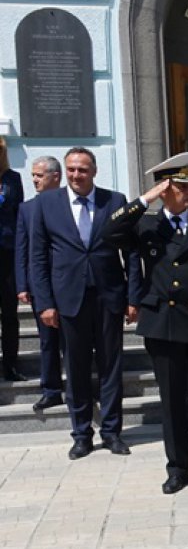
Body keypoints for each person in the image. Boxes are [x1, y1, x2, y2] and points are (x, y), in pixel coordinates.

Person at [100, 153, 188, 494]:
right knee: (173, 400)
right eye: (184, 186)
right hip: (164, 324)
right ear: (167, 188)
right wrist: (146, 198)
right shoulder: (147, 225)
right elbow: (109, 230)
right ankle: (177, 468)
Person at [30, 147, 138, 460]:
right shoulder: (47, 203)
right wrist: (45, 303)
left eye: (83, 170)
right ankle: (81, 434)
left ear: (94, 171)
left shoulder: (114, 201)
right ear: (65, 172)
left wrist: (133, 297)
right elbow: (38, 257)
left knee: (111, 366)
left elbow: (130, 252)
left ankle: (112, 432)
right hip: (68, 299)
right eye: (72, 170)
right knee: (75, 369)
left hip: (108, 296)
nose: (77, 175)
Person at [15, 156, 64, 411]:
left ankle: (82, 386)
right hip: (40, 286)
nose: (34, 180)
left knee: (74, 341)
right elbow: (21, 249)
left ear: (55, 176)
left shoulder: (70, 204)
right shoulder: (27, 209)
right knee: (47, 341)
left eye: (39, 175)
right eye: (33, 175)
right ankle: (51, 389)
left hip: (68, 285)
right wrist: (22, 285)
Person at [0, 137, 25, 381]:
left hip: (7, 253)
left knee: (9, 313)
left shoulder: (12, 179)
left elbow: (20, 217)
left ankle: (10, 364)